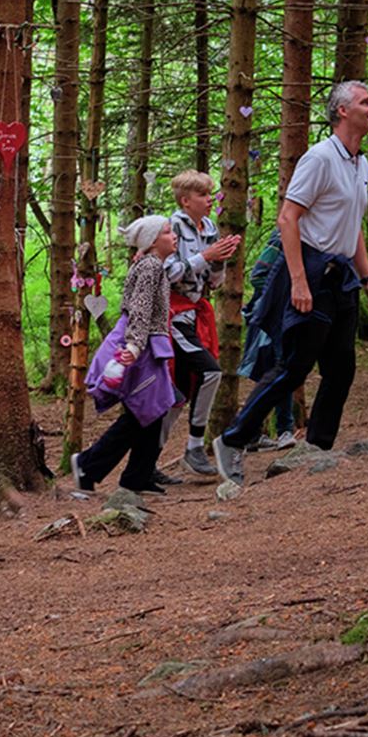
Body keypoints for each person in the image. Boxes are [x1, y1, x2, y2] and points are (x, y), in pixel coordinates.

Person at [212, 80, 368, 487]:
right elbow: (287, 219)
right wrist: (298, 282)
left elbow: (352, 225)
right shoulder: (320, 158)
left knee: (341, 368)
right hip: (309, 270)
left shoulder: (359, 163)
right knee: (294, 366)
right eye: (366, 102)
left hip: (341, 275)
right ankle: (232, 440)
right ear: (343, 111)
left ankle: (319, 449)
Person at [70, 215, 180, 496]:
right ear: (153, 241)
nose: (174, 235)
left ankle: (137, 476)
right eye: (168, 232)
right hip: (140, 346)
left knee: (154, 409)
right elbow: (140, 309)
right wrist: (133, 347)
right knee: (142, 411)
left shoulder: (153, 265)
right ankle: (87, 465)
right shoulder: (151, 266)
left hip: (149, 344)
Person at [160, 170, 241, 482]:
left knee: (180, 391)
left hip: (195, 313)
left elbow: (213, 281)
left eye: (211, 194)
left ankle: (148, 461)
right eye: (204, 195)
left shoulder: (208, 226)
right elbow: (169, 273)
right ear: (185, 201)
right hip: (173, 316)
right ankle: (194, 447)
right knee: (209, 372)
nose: (211, 200)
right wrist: (205, 255)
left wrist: (220, 261)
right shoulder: (171, 228)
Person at [237, 228, 297, 451]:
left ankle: (255, 433)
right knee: (278, 371)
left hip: (285, 315)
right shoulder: (282, 236)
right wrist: (284, 295)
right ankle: (281, 431)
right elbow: (259, 276)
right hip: (270, 317)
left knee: (277, 370)